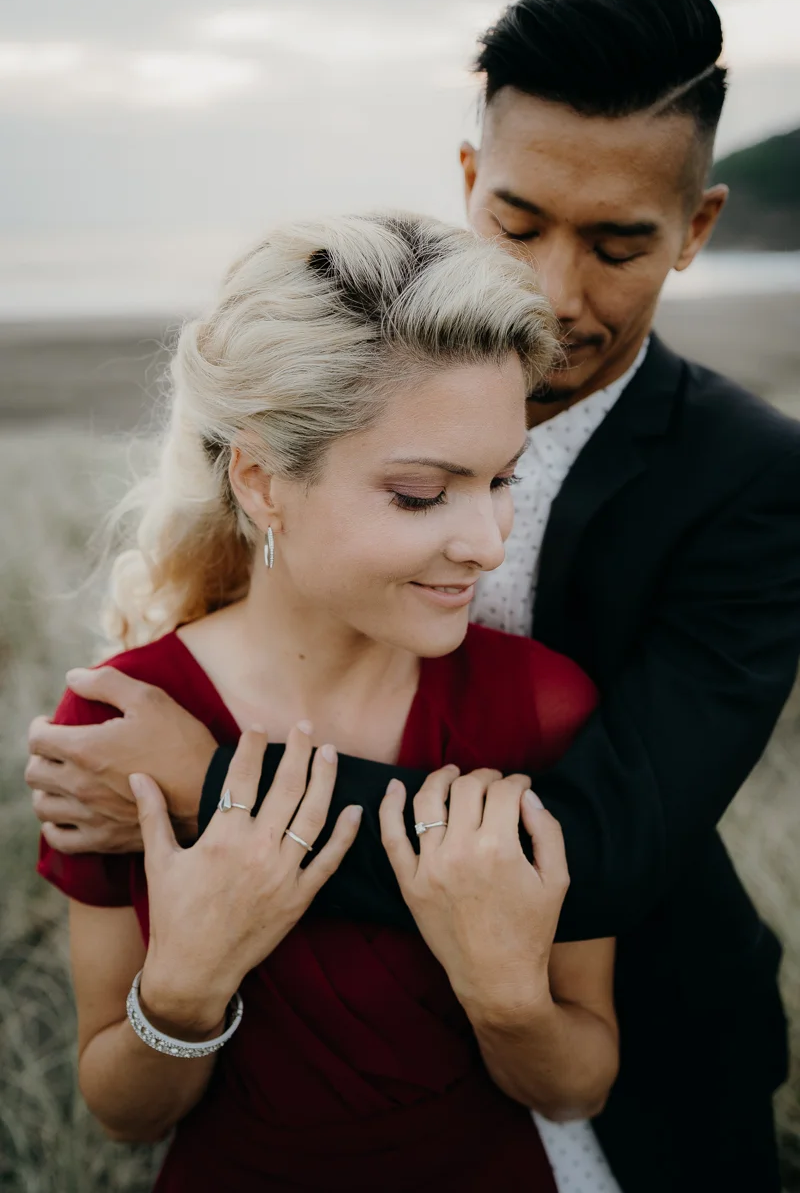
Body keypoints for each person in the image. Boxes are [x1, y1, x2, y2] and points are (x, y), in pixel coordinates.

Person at [27, 0, 800, 1191]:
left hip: (636, 1026)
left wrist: (217, 787)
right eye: (516, 221)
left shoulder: (751, 478)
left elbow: (602, 843)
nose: (552, 290)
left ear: (695, 226)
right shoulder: (360, 401)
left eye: (615, 243)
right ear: (466, 176)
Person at [37, 212, 621, 1192]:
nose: (486, 540)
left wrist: (503, 996)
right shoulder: (119, 730)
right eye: (419, 494)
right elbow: (122, 1115)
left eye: (500, 479)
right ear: (263, 482)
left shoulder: (538, 706)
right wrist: (183, 989)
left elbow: (574, 1089)